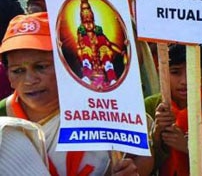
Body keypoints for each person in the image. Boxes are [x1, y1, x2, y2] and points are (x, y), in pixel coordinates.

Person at [0, 13, 146, 175]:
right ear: (9, 78)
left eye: (41, 67)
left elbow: (142, 157)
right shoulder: (2, 120)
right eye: (18, 71)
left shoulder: (103, 106)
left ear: (67, 65)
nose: (29, 80)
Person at [145, 44, 202, 175]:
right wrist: (157, 134)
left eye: (192, 72)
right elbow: (142, 165)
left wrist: (190, 147)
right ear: (162, 72)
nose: (184, 81)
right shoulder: (151, 106)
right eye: (175, 72)